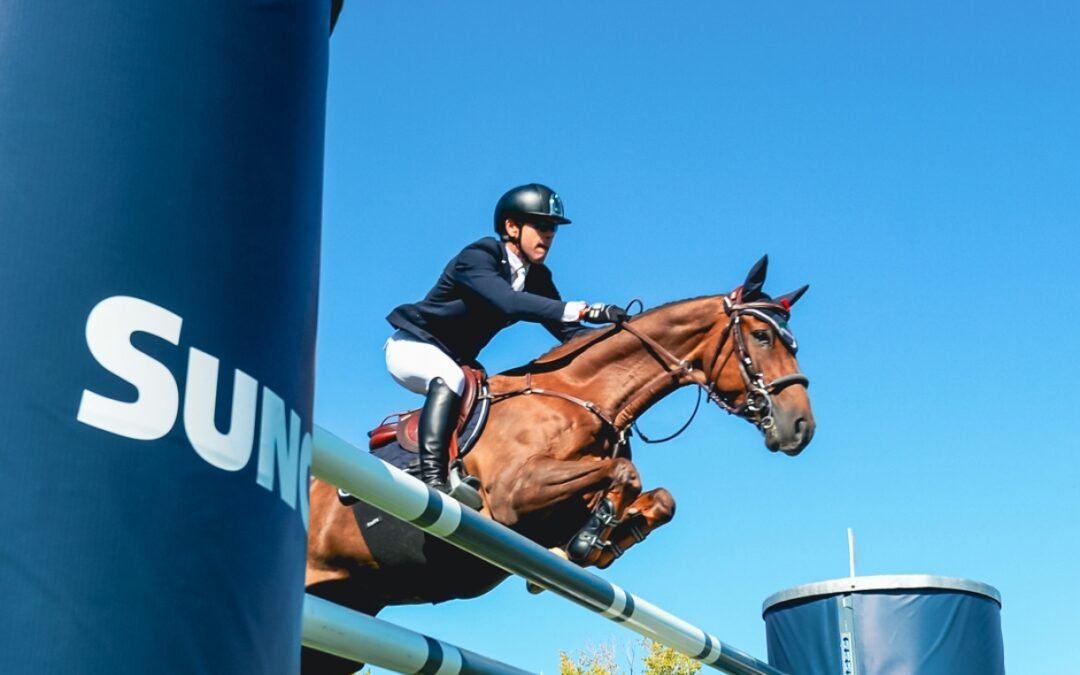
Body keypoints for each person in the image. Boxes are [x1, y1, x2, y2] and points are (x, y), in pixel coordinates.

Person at [385, 183, 628, 494]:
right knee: (449, 378)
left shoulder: (537, 277)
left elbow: (568, 334)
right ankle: (433, 478)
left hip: (457, 359)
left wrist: (621, 342)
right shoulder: (479, 256)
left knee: (489, 395)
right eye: (540, 226)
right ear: (511, 226)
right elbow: (507, 302)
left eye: (552, 228)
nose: (549, 235)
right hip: (413, 346)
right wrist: (586, 310)